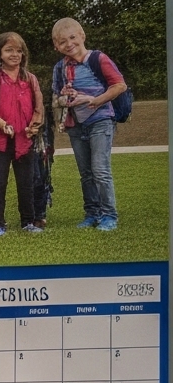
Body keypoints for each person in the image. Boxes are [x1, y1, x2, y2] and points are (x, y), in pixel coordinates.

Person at [51, 17, 127, 230]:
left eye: (72, 37)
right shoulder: (60, 68)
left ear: (82, 35)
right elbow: (56, 99)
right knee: (86, 173)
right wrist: (64, 97)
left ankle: (109, 215)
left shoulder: (97, 58)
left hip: (100, 120)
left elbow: (119, 85)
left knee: (100, 170)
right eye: (63, 41)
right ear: (56, 46)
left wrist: (95, 100)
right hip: (76, 124)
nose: (69, 44)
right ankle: (92, 213)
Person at [0, 31, 47, 237]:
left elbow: (39, 108)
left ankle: (28, 222)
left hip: (24, 140)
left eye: (19, 51)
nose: (14, 54)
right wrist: (1, 124)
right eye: (9, 50)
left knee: (26, 184)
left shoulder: (31, 79)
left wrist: (35, 125)